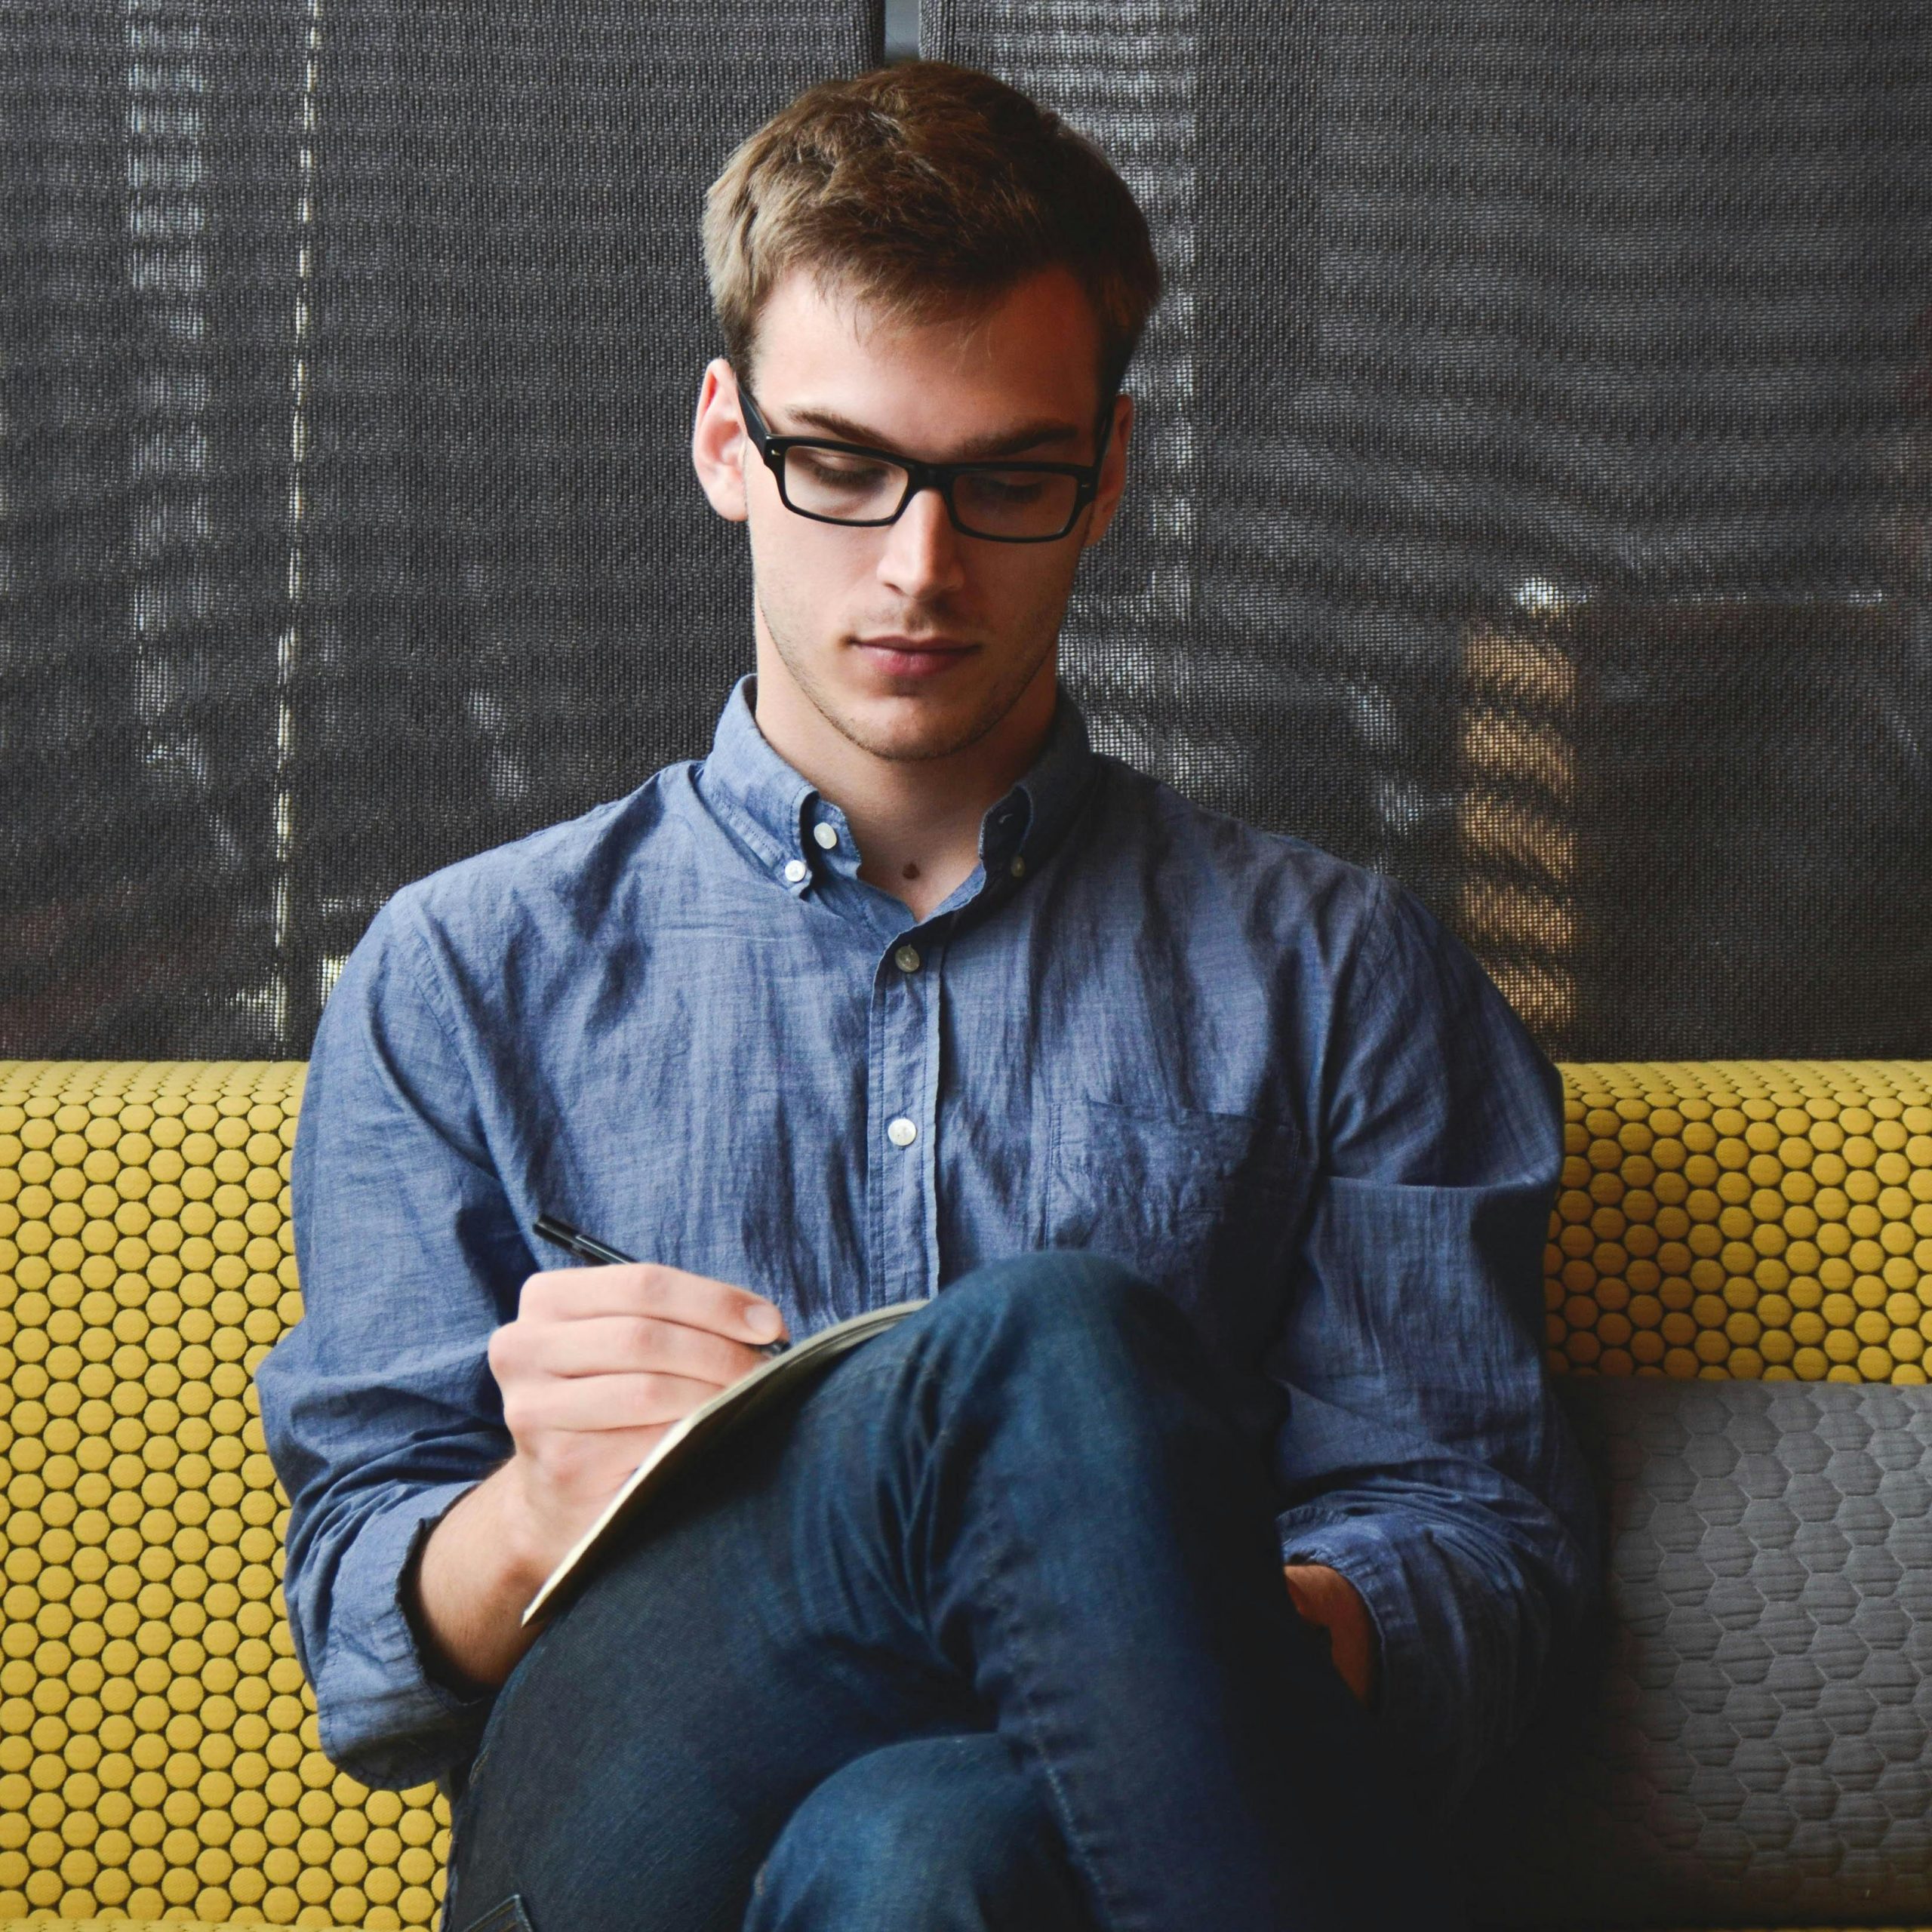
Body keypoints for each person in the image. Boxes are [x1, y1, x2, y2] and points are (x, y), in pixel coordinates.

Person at [258, 60, 1597, 1932]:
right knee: (1045, 1353)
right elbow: (361, 1636)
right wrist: (530, 1509)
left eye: (1004, 480)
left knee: (927, 1850)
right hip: (617, 1830)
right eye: (843, 464)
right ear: (727, 442)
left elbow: (1480, 1561)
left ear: (1108, 473)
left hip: (1043, 1839)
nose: (917, 564)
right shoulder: (465, 968)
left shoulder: (1342, 969)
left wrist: (1135, 1601)